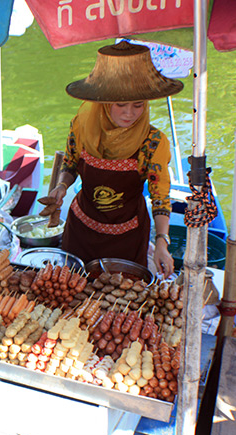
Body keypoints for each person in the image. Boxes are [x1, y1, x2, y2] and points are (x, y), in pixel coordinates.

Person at [47, 41, 183, 278]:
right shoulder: (81, 125)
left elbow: (160, 196)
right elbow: (70, 163)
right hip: (81, 231)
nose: (130, 113)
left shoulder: (152, 143)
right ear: (104, 102)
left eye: (138, 105)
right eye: (121, 104)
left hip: (127, 238)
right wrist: (61, 186)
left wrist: (162, 242)